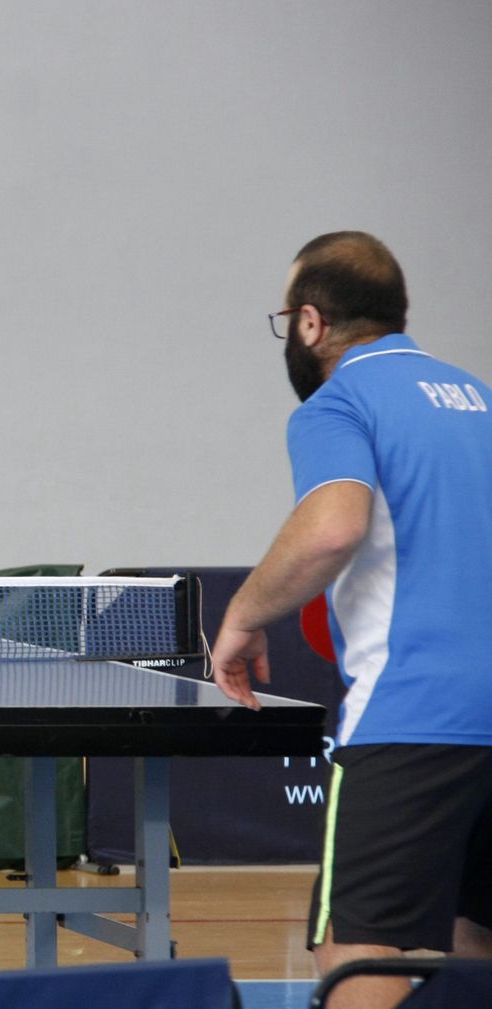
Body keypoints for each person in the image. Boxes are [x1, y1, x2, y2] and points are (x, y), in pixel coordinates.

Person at [211, 232, 492, 1009]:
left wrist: (243, 612)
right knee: (475, 953)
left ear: (310, 322)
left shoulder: (341, 400)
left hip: (413, 717)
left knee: (357, 958)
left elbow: (335, 526)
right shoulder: (479, 398)